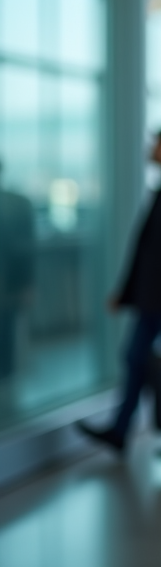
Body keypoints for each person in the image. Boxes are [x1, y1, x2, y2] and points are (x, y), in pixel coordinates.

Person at [78, 128, 161, 458]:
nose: (150, 149)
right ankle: (120, 430)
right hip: (155, 299)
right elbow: (149, 251)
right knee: (136, 360)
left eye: (157, 144)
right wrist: (125, 294)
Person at [0, 159, 35, 402]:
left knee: (6, 339)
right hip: (9, 286)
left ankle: (6, 391)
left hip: (7, 287)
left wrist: (26, 282)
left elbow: (23, 249)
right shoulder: (17, 203)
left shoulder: (16, 204)